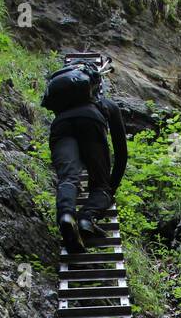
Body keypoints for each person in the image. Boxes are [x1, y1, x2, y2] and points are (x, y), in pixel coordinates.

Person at [44, 57, 128, 253]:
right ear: (96, 86)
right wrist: (108, 190)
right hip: (92, 124)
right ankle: (86, 219)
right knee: (100, 186)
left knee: (68, 178)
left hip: (61, 127)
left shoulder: (62, 109)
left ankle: (66, 215)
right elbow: (121, 154)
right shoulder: (107, 105)